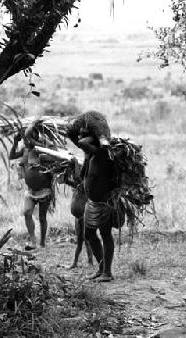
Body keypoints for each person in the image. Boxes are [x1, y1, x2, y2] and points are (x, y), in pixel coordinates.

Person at [67, 112, 122, 282]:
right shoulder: (90, 155)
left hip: (104, 203)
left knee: (105, 235)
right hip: (92, 203)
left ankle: (107, 272)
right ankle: (101, 268)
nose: (81, 137)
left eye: (85, 134)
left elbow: (82, 142)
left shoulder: (102, 153)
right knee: (89, 236)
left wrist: (96, 136)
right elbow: (80, 144)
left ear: (93, 137)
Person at [9, 126, 54, 250]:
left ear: (34, 137)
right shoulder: (25, 149)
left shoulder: (44, 149)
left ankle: (42, 243)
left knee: (42, 217)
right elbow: (11, 156)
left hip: (44, 190)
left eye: (27, 138)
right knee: (27, 213)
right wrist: (15, 142)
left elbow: (53, 159)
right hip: (30, 191)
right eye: (23, 139)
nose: (25, 141)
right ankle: (34, 241)